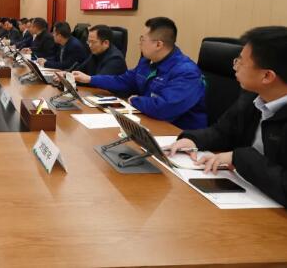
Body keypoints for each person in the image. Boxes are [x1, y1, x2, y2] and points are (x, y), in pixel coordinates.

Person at [168, 26, 287, 206]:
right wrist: (193, 140)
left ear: (267, 76)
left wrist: (239, 158)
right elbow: (223, 131)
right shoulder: (253, 96)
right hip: (248, 191)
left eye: (241, 62)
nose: (235, 67)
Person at [73, 17, 207, 130]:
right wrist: (90, 79)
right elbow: (124, 80)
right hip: (148, 120)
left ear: (158, 45)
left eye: (142, 40)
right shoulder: (147, 61)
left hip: (178, 134)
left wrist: (134, 100)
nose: (139, 44)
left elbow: (164, 107)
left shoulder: (186, 72)